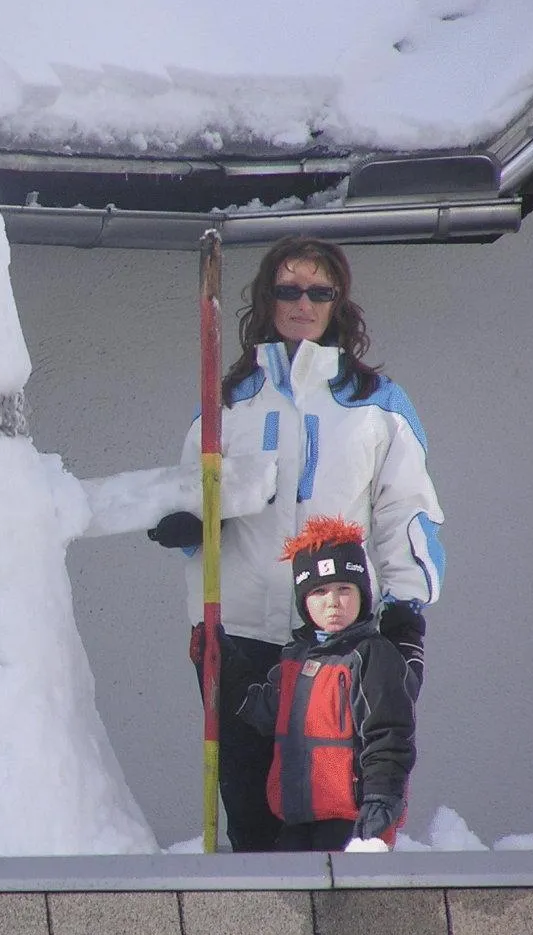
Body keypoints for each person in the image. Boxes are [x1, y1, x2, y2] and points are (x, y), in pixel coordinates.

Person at [148, 235, 443, 852]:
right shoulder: (226, 404)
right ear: (267, 299)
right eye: (288, 289)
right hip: (242, 636)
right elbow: (192, 506)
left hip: (339, 641)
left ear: (338, 302)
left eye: (318, 291)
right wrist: (190, 521)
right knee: (252, 815)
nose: (302, 303)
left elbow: (403, 512)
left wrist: (406, 615)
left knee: (329, 815)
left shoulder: (377, 407)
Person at [230, 516, 415, 851]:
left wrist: (382, 797)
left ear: (362, 595)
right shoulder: (294, 659)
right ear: (304, 601)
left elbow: (388, 733)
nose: (333, 602)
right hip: (297, 819)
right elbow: (264, 713)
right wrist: (225, 663)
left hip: (353, 820)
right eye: (319, 591)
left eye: (345, 589)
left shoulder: (371, 655)